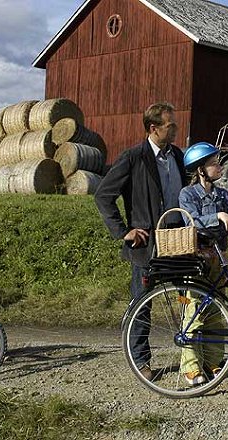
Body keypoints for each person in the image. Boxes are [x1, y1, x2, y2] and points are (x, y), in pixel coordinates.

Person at [95, 102, 187, 381]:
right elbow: (103, 195)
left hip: (177, 239)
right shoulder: (133, 157)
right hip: (146, 243)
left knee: (186, 297)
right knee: (142, 302)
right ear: (153, 128)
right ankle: (141, 360)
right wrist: (123, 231)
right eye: (171, 125)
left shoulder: (178, 155)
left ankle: (192, 359)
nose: (176, 129)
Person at [178, 142, 228, 386]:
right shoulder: (188, 195)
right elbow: (191, 222)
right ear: (200, 169)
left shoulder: (224, 194)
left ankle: (213, 360)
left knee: (217, 313)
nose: (219, 167)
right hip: (196, 260)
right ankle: (191, 367)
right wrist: (217, 216)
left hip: (218, 259)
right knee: (193, 311)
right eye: (214, 163)